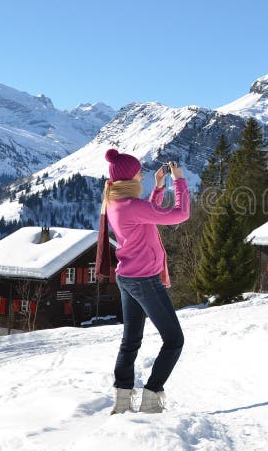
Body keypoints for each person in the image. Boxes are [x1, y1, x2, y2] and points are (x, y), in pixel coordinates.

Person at [99, 149, 190, 415]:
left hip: (127, 277)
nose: (141, 175)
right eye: (138, 172)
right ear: (129, 178)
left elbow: (147, 214)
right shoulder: (132, 206)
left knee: (131, 340)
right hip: (144, 280)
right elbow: (180, 214)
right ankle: (151, 396)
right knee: (174, 340)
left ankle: (122, 399)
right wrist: (179, 181)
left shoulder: (116, 202)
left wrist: (159, 187)